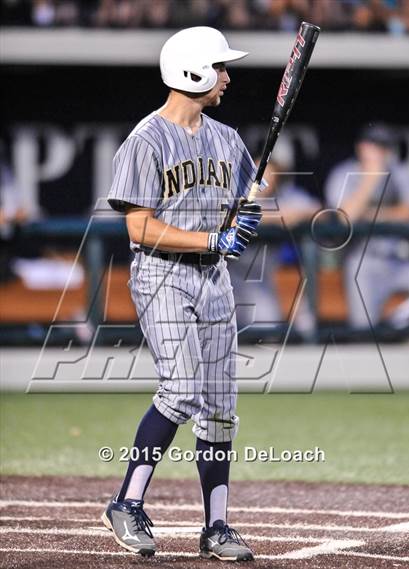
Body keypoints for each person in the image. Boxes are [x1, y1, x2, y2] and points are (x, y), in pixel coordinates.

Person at [102, 27, 263, 561]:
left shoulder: (228, 139)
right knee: (182, 389)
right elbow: (139, 228)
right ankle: (126, 503)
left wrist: (244, 218)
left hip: (212, 279)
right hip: (162, 275)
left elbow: (241, 207)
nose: (226, 76)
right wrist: (213, 237)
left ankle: (216, 527)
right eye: (218, 67)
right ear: (192, 71)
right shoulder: (145, 141)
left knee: (219, 409)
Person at [325, 124, 409, 329]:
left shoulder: (398, 172)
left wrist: (371, 214)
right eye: (374, 145)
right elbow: (346, 217)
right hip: (361, 262)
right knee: (363, 329)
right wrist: (370, 181)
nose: (380, 152)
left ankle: (399, 321)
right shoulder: (343, 174)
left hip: (397, 260)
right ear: (361, 147)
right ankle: (392, 326)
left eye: (384, 146)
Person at [230, 139, 319, 337]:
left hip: (260, 281)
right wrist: (277, 217)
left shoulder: (284, 197)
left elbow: (318, 210)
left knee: (267, 327)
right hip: (227, 278)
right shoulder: (231, 191)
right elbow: (231, 217)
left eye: (271, 169)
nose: (266, 175)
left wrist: (297, 214)